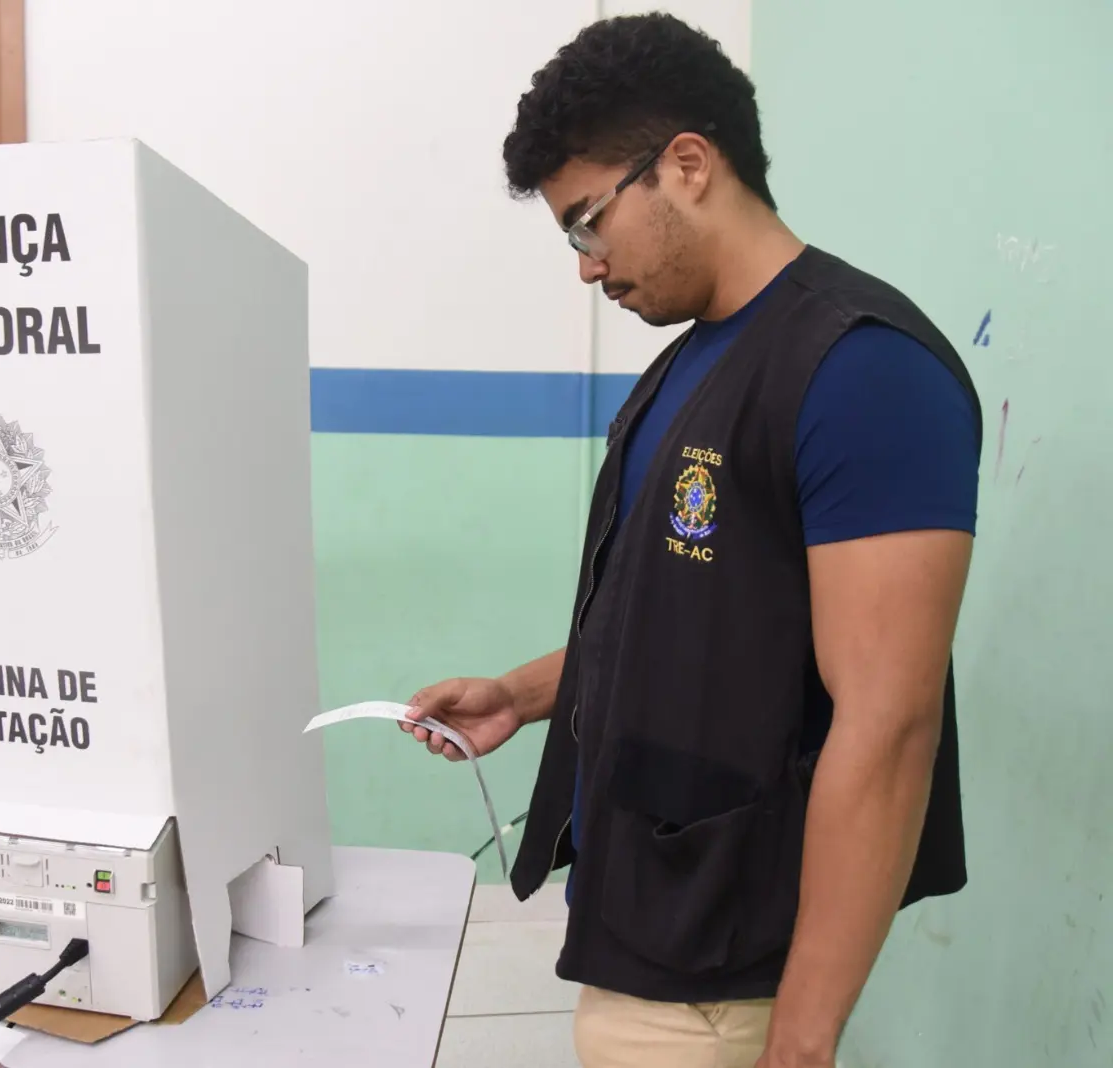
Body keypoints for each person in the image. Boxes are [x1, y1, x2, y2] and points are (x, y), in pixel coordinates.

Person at [400, 13, 980, 1068]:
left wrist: (800, 1042)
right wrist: (522, 695)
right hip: (642, 921)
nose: (585, 267)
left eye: (587, 224)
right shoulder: (691, 367)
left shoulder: (863, 372)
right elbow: (682, 625)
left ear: (688, 164)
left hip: (724, 979)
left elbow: (890, 726)